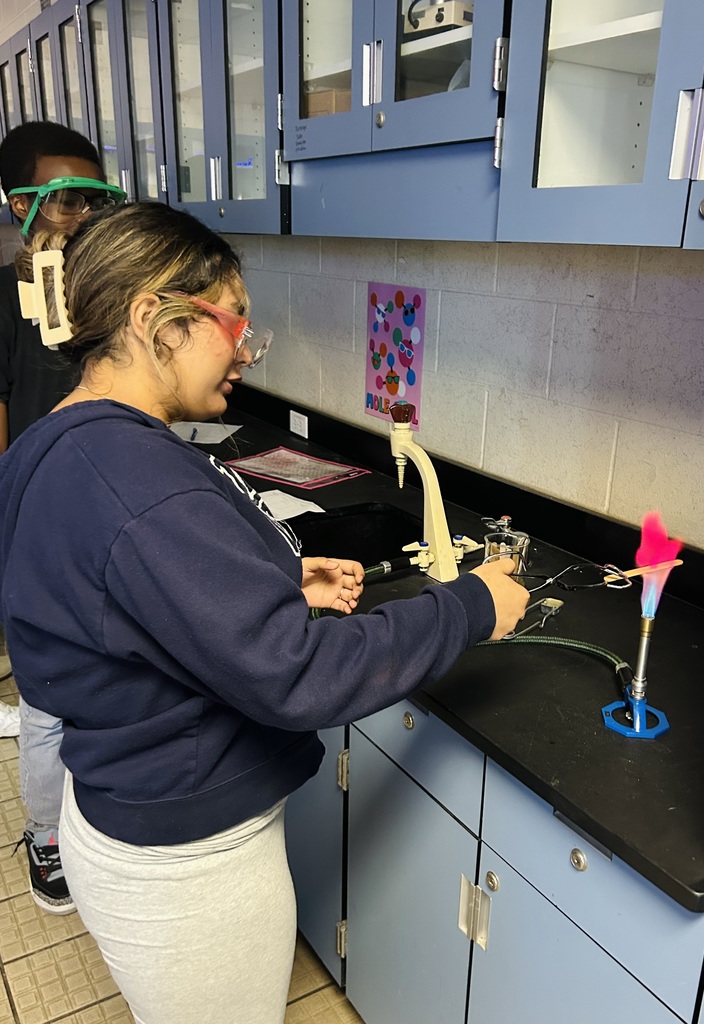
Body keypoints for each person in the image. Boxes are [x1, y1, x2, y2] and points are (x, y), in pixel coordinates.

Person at [0, 201, 529, 1024]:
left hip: (120, 810)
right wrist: (468, 606)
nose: (245, 355)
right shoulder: (139, 483)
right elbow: (300, 677)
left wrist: (273, 580)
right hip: (187, 871)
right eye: (233, 325)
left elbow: (116, 601)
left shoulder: (55, 441)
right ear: (155, 319)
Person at [0, 121, 127, 912]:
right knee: (48, 699)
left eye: (93, 199)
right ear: (20, 204)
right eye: (63, 200)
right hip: (35, 525)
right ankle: (47, 837)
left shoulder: (105, 297)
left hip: (106, 514)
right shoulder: (2, 302)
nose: (81, 215)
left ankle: (95, 819)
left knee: (108, 680)